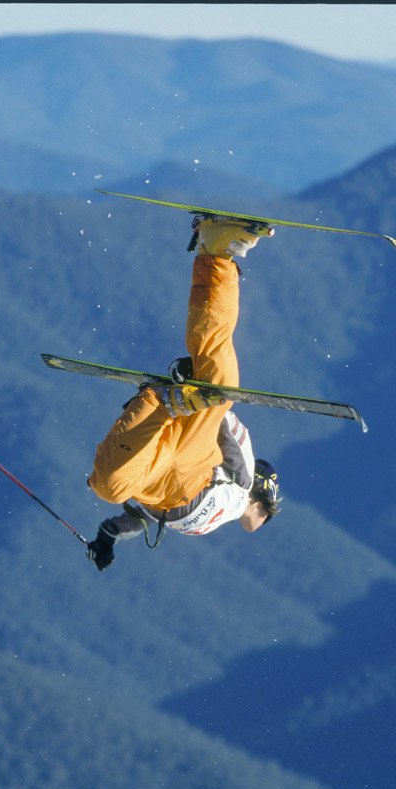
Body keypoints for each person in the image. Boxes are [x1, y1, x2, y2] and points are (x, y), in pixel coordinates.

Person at [85, 215, 283, 571]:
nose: (258, 525)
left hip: (155, 480)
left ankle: (163, 398)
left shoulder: (220, 516)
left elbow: (141, 517)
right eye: (266, 515)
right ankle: (217, 253)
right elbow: (229, 425)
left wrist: (107, 536)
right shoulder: (244, 480)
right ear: (264, 497)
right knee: (223, 386)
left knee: (109, 488)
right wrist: (204, 395)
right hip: (196, 455)